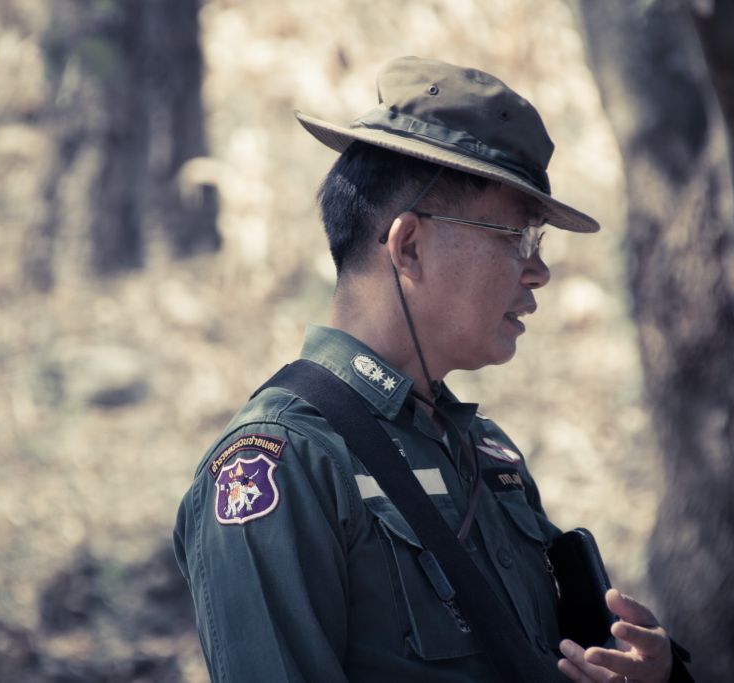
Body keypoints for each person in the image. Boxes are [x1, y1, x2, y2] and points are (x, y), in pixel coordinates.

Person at [173, 56, 687, 682]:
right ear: (409, 246)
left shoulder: (485, 451)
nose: (539, 272)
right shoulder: (284, 463)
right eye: (515, 238)